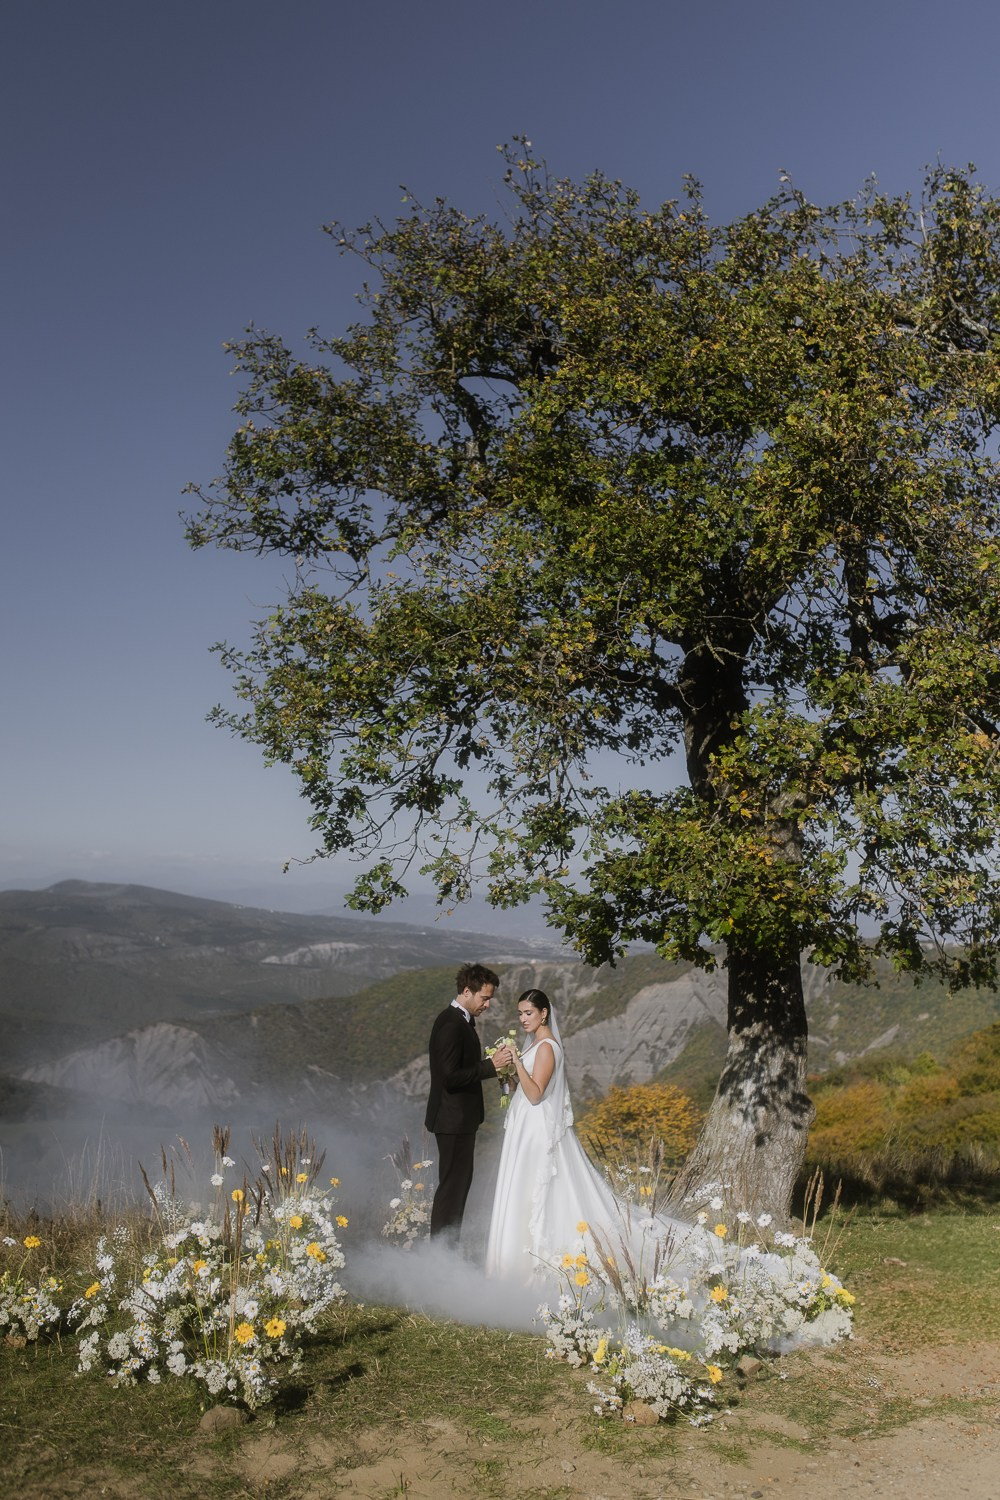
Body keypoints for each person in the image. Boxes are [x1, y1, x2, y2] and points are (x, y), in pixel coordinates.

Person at [485, 988, 688, 1281]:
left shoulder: (546, 1047)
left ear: (544, 1014)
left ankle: (531, 1263)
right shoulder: (532, 1045)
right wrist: (505, 1075)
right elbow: (518, 1090)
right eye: (520, 1013)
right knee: (520, 1189)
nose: (523, 1018)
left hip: (536, 1131)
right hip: (522, 1128)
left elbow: (535, 1094)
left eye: (529, 1013)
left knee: (534, 1189)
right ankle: (510, 1263)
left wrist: (516, 1063)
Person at [425, 962, 512, 1242]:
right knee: (452, 1189)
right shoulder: (451, 1024)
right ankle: (442, 1256)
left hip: (459, 1120)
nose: (487, 1004)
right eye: (484, 998)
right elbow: (449, 1077)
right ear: (466, 991)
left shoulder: (457, 1021)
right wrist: (491, 1065)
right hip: (453, 1121)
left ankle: (448, 1254)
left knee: (457, 1188)